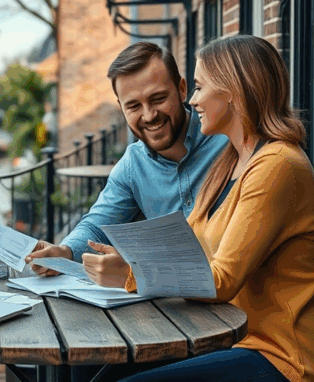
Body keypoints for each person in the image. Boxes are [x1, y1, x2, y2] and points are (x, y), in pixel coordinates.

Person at [112, 35, 314, 382]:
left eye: (200, 87)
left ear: (234, 91)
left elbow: (222, 281)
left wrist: (130, 273)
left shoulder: (277, 164)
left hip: (281, 357)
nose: (193, 99)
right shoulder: (229, 161)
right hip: (227, 340)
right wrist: (129, 258)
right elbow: (191, 247)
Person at [24, 42, 229, 380]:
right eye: (133, 105)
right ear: (120, 107)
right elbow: (97, 225)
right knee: (79, 361)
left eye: (158, 98)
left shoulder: (227, 142)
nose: (148, 115)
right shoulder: (133, 164)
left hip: (229, 315)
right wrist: (65, 251)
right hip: (172, 315)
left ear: (182, 89)